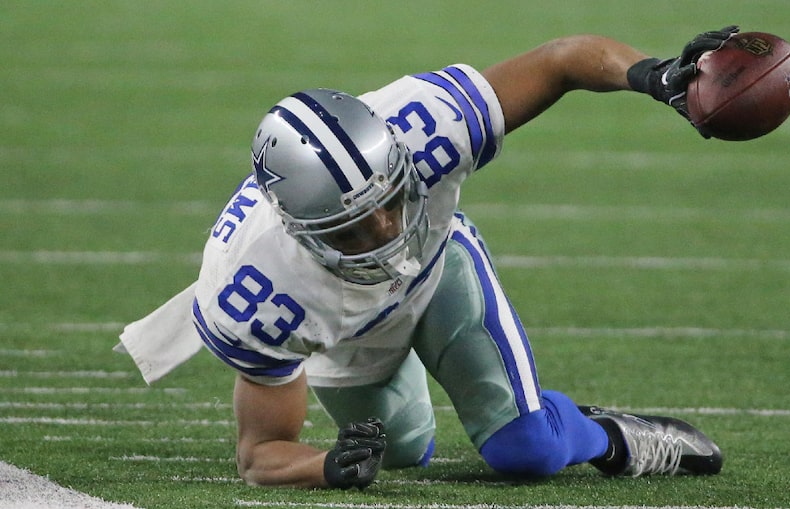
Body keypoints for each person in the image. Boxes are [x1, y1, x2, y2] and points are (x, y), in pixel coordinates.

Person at [119, 25, 740, 489]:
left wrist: (652, 76)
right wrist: (326, 467)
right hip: (350, 325)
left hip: (440, 268)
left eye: (389, 200)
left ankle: (612, 438)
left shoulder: (424, 127)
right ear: (298, 228)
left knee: (525, 449)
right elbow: (261, 454)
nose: (385, 230)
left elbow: (564, 60)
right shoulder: (256, 287)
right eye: (351, 228)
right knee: (400, 451)